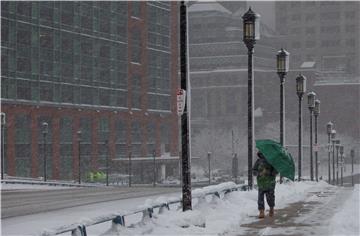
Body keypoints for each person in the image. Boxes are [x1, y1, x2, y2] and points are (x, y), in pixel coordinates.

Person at [253, 151, 278, 218]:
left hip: (270, 182)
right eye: (262, 154)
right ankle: (261, 211)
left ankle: (271, 208)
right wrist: (259, 173)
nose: (263, 155)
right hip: (261, 182)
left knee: (270, 197)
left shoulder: (272, 161)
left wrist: (268, 172)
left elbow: (276, 171)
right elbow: (254, 171)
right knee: (260, 197)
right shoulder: (258, 161)